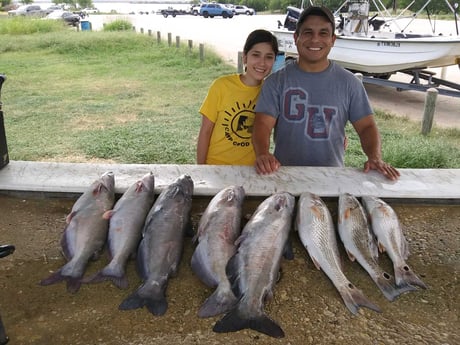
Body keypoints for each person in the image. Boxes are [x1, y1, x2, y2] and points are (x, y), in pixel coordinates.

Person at [252, 6, 400, 180]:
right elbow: (262, 124)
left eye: (323, 33)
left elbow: (366, 126)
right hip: (284, 176)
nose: (315, 39)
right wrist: (263, 153)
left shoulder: (349, 83)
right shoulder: (276, 82)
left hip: (331, 178)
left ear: (333, 39)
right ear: (295, 37)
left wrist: (374, 157)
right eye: (308, 32)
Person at [196, 29, 278, 165]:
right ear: (245, 57)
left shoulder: (271, 92)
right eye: (256, 55)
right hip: (216, 166)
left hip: (252, 170)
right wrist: (201, 169)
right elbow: (205, 131)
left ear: (274, 60)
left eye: (269, 57)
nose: (262, 63)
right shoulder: (221, 86)